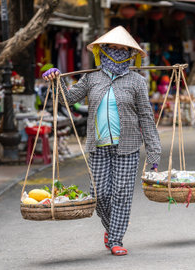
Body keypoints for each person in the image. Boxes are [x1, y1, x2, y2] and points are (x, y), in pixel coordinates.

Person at [43, 26, 161, 256]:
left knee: (122, 193)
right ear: (102, 50)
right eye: (112, 48)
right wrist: (55, 81)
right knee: (100, 195)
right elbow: (67, 99)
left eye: (122, 49)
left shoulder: (136, 81)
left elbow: (146, 117)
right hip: (98, 146)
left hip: (127, 147)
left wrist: (154, 152)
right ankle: (111, 228)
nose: (116, 52)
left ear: (130, 53)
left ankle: (116, 239)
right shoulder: (91, 78)